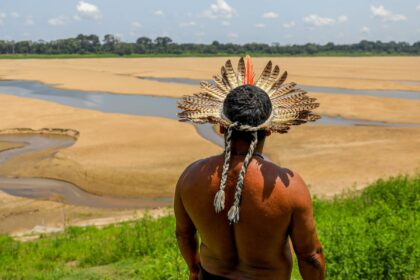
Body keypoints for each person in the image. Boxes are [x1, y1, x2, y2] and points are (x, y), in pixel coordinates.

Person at [175, 56, 325, 280]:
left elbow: (184, 235)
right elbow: (310, 255)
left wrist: (194, 268)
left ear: (221, 127)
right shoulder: (290, 187)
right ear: (270, 129)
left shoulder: (191, 176)